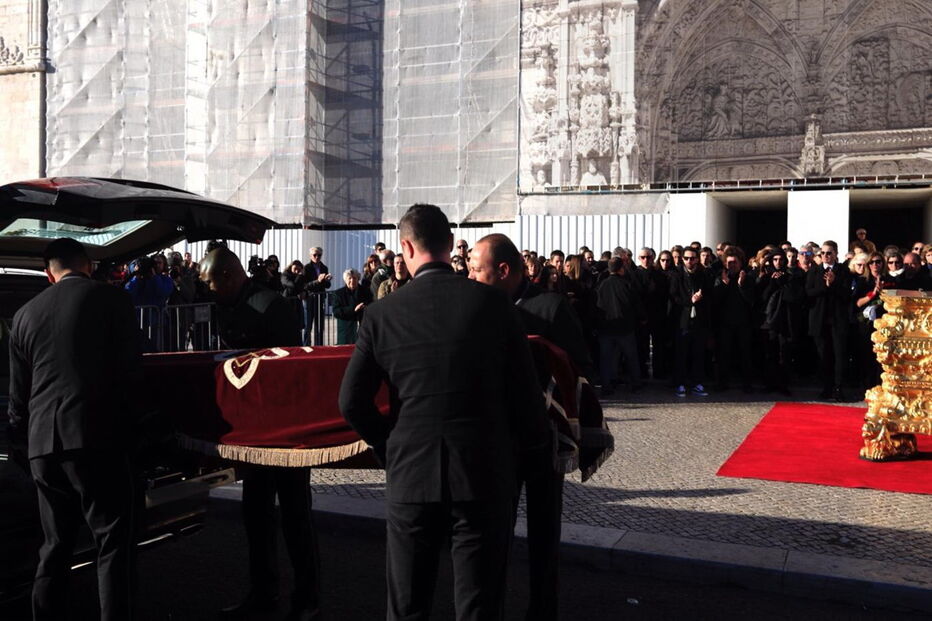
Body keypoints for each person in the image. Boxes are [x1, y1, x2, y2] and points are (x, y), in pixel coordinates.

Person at [339, 204, 550, 621]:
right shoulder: (494, 305)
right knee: (478, 606)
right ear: (452, 244)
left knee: (408, 605)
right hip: (482, 472)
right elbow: (527, 400)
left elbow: (350, 402)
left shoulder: (382, 314)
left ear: (405, 247)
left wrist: (388, 445)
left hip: (411, 474)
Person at [8, 238, 141, 621]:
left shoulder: (24, 315)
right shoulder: (111, 300)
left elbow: (19, 396)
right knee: (113, 541)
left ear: (49, 274)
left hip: (42, 447)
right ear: (88, 264)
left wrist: (24, 440)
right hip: (96, 436)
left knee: (54, 546)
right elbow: (131, 371)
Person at [468, 233, 593, 620]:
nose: (469, 276)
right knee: (492, 533)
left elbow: (581, 368)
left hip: (542, 441)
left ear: (503, 270)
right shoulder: (474, 305)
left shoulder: (551, 307)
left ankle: (542, 610)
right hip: (494, 438)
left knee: (543, 535)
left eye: (476, 269)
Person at [199, 248, 319, 620]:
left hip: (285, 432)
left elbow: (289, 370)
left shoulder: (272, 306)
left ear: (229, 277)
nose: (208, 292)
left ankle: (307, 600)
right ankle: (264, 593)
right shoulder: (230, 306)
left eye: (211, 284)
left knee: (296, 515)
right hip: (253, 433)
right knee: (256, 514)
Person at [806, 241, 851, 402]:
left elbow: (847, 294)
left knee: (839, 355)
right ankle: (826, 387)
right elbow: (809, 293)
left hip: (838, 320)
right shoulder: (814, 271)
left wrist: (834, 284)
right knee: (824, 355)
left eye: (829, 253)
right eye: (823, 253)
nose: (825, 256)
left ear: (836, 254)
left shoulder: (844, 271)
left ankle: (839, 388)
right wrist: (826, 286)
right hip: (820, 319)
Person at [596, 257, 645, 395]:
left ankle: (606, 385)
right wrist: (642, 318)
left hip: (606, 328)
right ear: (621, 269)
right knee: (631, 357)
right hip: (625, 328)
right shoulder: (627, 284)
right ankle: (635, 382)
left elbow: (596, 307)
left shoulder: (601, 285)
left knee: (605, 358)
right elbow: (636, 304)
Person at [669, 247, 713, 397]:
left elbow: (709, 297)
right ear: (682, 259)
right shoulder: (676, 275)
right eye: (687, 258)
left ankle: (697, 383)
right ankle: (679, 384)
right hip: (683, 320)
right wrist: (690, 300)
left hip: (699, 321)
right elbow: (673, 297)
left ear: (697, 259)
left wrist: (700, 300)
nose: (689, 261)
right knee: (681, 354)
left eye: (692, 258)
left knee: (698, 353)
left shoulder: (703, 275)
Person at [712, 248, 755, 392]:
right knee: (724, 354)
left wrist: (741, 285)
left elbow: (751, 300)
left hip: (743, 323)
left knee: (745, 354)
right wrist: (724, 284)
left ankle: (747, 384)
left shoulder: (747, 277)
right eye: (729, 263)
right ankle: (722, 383)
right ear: (725, 263)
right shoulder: (721, 277)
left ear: (740, 263)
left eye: (735, 263)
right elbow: (715, 300)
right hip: (725, 323)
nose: (732, 266)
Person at [330, 268, 372, 344]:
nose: (352, 281)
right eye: (349, 278)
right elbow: (336, 311)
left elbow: (371, 306)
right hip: (346, 331)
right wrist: (353, 309)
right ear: (345, 280)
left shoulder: (365, 291)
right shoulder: (339, 294)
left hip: (362, 330)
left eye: (354, 278)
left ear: (358, 279)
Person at [302, 246, 332, 345]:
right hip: (310, 299)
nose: (317, 257)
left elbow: (327, 286)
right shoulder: (306, 268)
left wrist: (327, 280)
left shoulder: (324, 267)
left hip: (320, 299)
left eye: (319, 255)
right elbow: (305, 286)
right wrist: (317, 281)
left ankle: (319, 346)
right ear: (310, 256)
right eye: (314, 255)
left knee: (319, 326)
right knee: (308, 325)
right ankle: (306, 346)